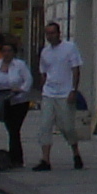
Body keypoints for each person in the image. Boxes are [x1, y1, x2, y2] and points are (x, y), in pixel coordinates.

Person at [32, 21, 86, 172]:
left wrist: (74, 90)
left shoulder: (70, 48)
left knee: (67, 127)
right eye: (47, 33)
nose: (50, 36)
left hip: (65, 93)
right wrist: (42, 90)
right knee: (45, 126)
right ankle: (45, 159)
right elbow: (43, 72)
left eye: (52, 33)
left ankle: (75, 152)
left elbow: (76, 70)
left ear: (59, 33)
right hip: (49, 93)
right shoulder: (45, 52)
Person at [0, 41, 32, 166]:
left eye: (9, 51)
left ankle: (16, 158)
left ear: (14, 52)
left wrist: (21, 90)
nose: (6, 54)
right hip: (3, 100)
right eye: (4, 51)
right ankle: (14, 156)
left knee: (14, 128)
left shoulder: (20, 65)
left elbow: (28, 80)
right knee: (10, 128)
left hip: (19, 101)